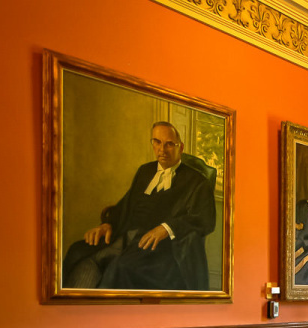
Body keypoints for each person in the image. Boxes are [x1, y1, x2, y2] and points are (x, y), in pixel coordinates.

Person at [62, 121, 216, 290]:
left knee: (120, 268)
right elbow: (125, 204)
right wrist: (107, 224)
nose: (162, 150)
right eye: (157, 142)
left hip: (162, 248)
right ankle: (76, 308)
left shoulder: (197, 181)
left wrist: (166, 228)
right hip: (126, 237)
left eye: (169, 144)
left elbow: (204, 219)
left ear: (181, 147)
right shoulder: (145, 171)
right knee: (78, 253)